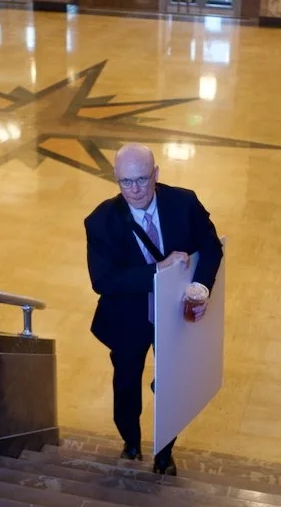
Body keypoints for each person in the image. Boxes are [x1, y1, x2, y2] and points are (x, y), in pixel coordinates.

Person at [84, 143, 224, 475]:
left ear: (156, 174)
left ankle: (165, 451)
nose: (135, 190)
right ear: (116, 179)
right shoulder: (100, 220)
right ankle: (130, 442)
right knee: (126, 385)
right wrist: (158, 269)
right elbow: (104, 280)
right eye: (125, 182)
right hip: (127, 321)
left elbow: (211, 246)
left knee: (171, 384)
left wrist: (200, 288)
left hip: (173, 317)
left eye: (143, 179)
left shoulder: (184, 203)